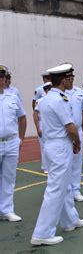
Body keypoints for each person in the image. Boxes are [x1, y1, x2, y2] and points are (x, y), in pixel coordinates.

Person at [31, 63, 83, 246]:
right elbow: (70, 127)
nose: (72, 81)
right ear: (63, 80)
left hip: (52, 145)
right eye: (70, 78)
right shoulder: (59, 100)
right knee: (55, 189)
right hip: (60, 146)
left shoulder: (46, 98)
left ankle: (70, 220)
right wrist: (77, 142)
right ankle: (42, 233)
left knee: (64, 186)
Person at [0, 65, 27, 223]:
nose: (1, 80)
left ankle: (7, 210)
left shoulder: (13, 97)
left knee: (9, 178)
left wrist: (21, 139)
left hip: (11, 142)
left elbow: (22, 118)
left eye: (3, 77)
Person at [64, 68, 83, 202]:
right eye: (67, 78)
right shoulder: (60, 93)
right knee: (67, 163)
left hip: (78, 130)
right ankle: (67, 191)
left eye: (72, 77)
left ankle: (76, 190)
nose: (70, 79)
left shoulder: (79, 92)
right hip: (66, 132)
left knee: (77, 162)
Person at [33, 82, 53, 174]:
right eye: (49, 88)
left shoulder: (55, 99)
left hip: (52, 124)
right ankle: (45, 166)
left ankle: (52, 165)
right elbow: (35, 114)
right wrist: (38, 127)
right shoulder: (40, 101)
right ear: (46, 90)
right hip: (42, 123)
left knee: (53, 145)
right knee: (44, 146)